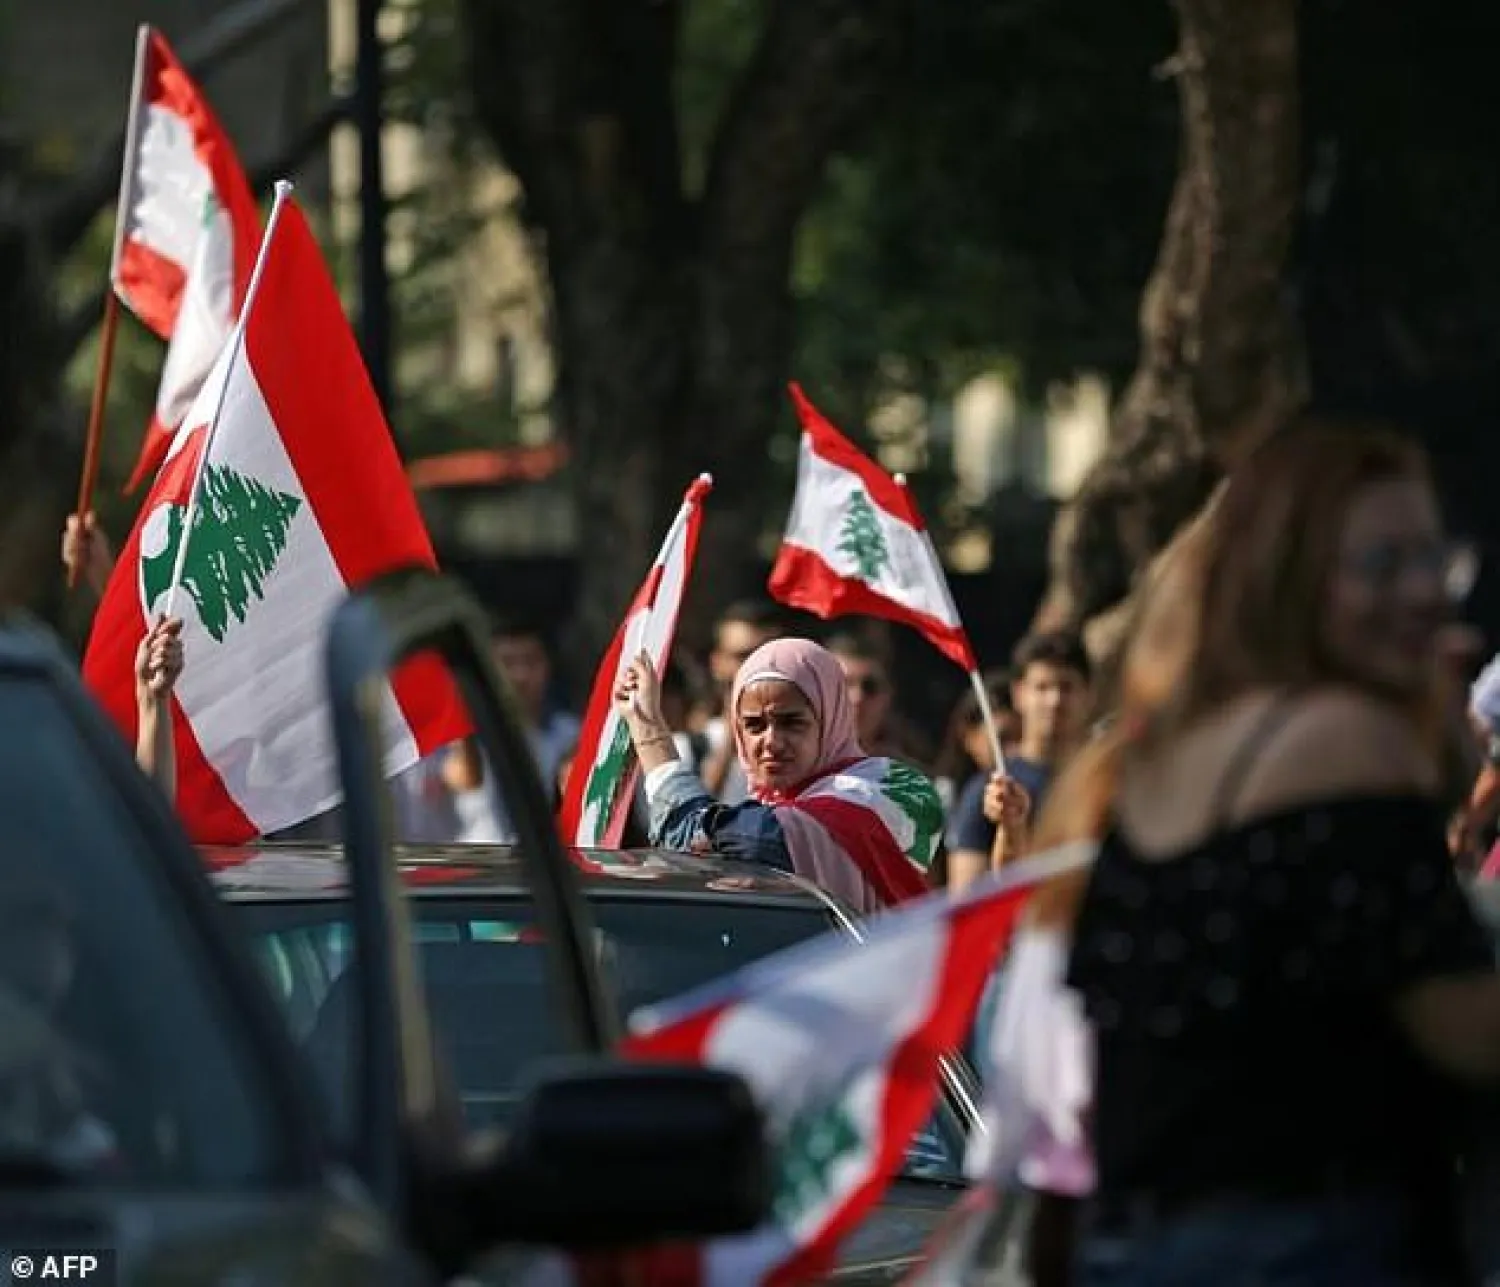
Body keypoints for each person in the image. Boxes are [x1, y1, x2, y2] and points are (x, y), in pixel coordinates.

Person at [1027, 421, 1500, 1286]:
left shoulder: (1159, 753)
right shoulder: (1345, 736)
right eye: (1382, 565)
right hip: (1304, 1245)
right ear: (1289, 581)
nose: (1428, 594)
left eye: (1436, 559)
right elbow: (1471, 1033)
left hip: (1136, 1243)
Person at [613, 637, 943, 912]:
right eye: (754, 725)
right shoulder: (773, 803)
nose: (771, 742)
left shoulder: (887, 790)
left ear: (830, 719)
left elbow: (701, 836)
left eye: (791, 722)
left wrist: (648, 729)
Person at [946, 632, 1092, 891]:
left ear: (1088, 694)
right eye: (1042, 687)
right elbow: (965, 898)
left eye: (1066, 687)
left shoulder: (1106, 781)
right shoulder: (990, 790)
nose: (1055, 700)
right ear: (1019, 694)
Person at [699, 599, 797, 804]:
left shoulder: (809, 748)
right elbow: (681, 829)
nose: (757, 667)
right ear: (717, 663)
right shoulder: (687, 751)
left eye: (768, 655)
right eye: (743, 656)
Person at [825, 630, 933, 768]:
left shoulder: (903, 782)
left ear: (888, 696)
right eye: (845, 684)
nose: (857, 697)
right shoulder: (793, 769)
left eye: (870, 687)